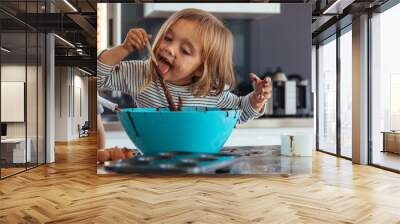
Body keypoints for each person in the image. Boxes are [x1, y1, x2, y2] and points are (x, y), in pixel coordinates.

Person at [97, 8, 271, 124]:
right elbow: (97, 78)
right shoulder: (142, 74)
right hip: (154, 161)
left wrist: (256, 99)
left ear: (201, 68)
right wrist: (124, 48)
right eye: (168, 38)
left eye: (185, 50)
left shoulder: (210, 91)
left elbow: (240, 111)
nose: (169, 49)